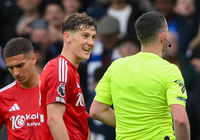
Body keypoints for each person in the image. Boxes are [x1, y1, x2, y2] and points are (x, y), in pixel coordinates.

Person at [90, 11, 190, 140]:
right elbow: (181, 120)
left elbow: (96, 111)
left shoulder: (116, 66)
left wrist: (129, 124)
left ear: (139, 37)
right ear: (162, 36)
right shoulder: (169, 70)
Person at [40, 12, 97, 140]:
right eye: (85, 36)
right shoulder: (60, 69)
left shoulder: (70, 71)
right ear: (67, 37)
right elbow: (54, 119)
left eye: (93, 37)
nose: (91, 42)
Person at [0, 37, 49, 140]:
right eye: (11, 68)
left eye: (20, 65)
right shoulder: (3, 96)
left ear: (33, 59)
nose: (16, 73)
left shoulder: (54, 90)